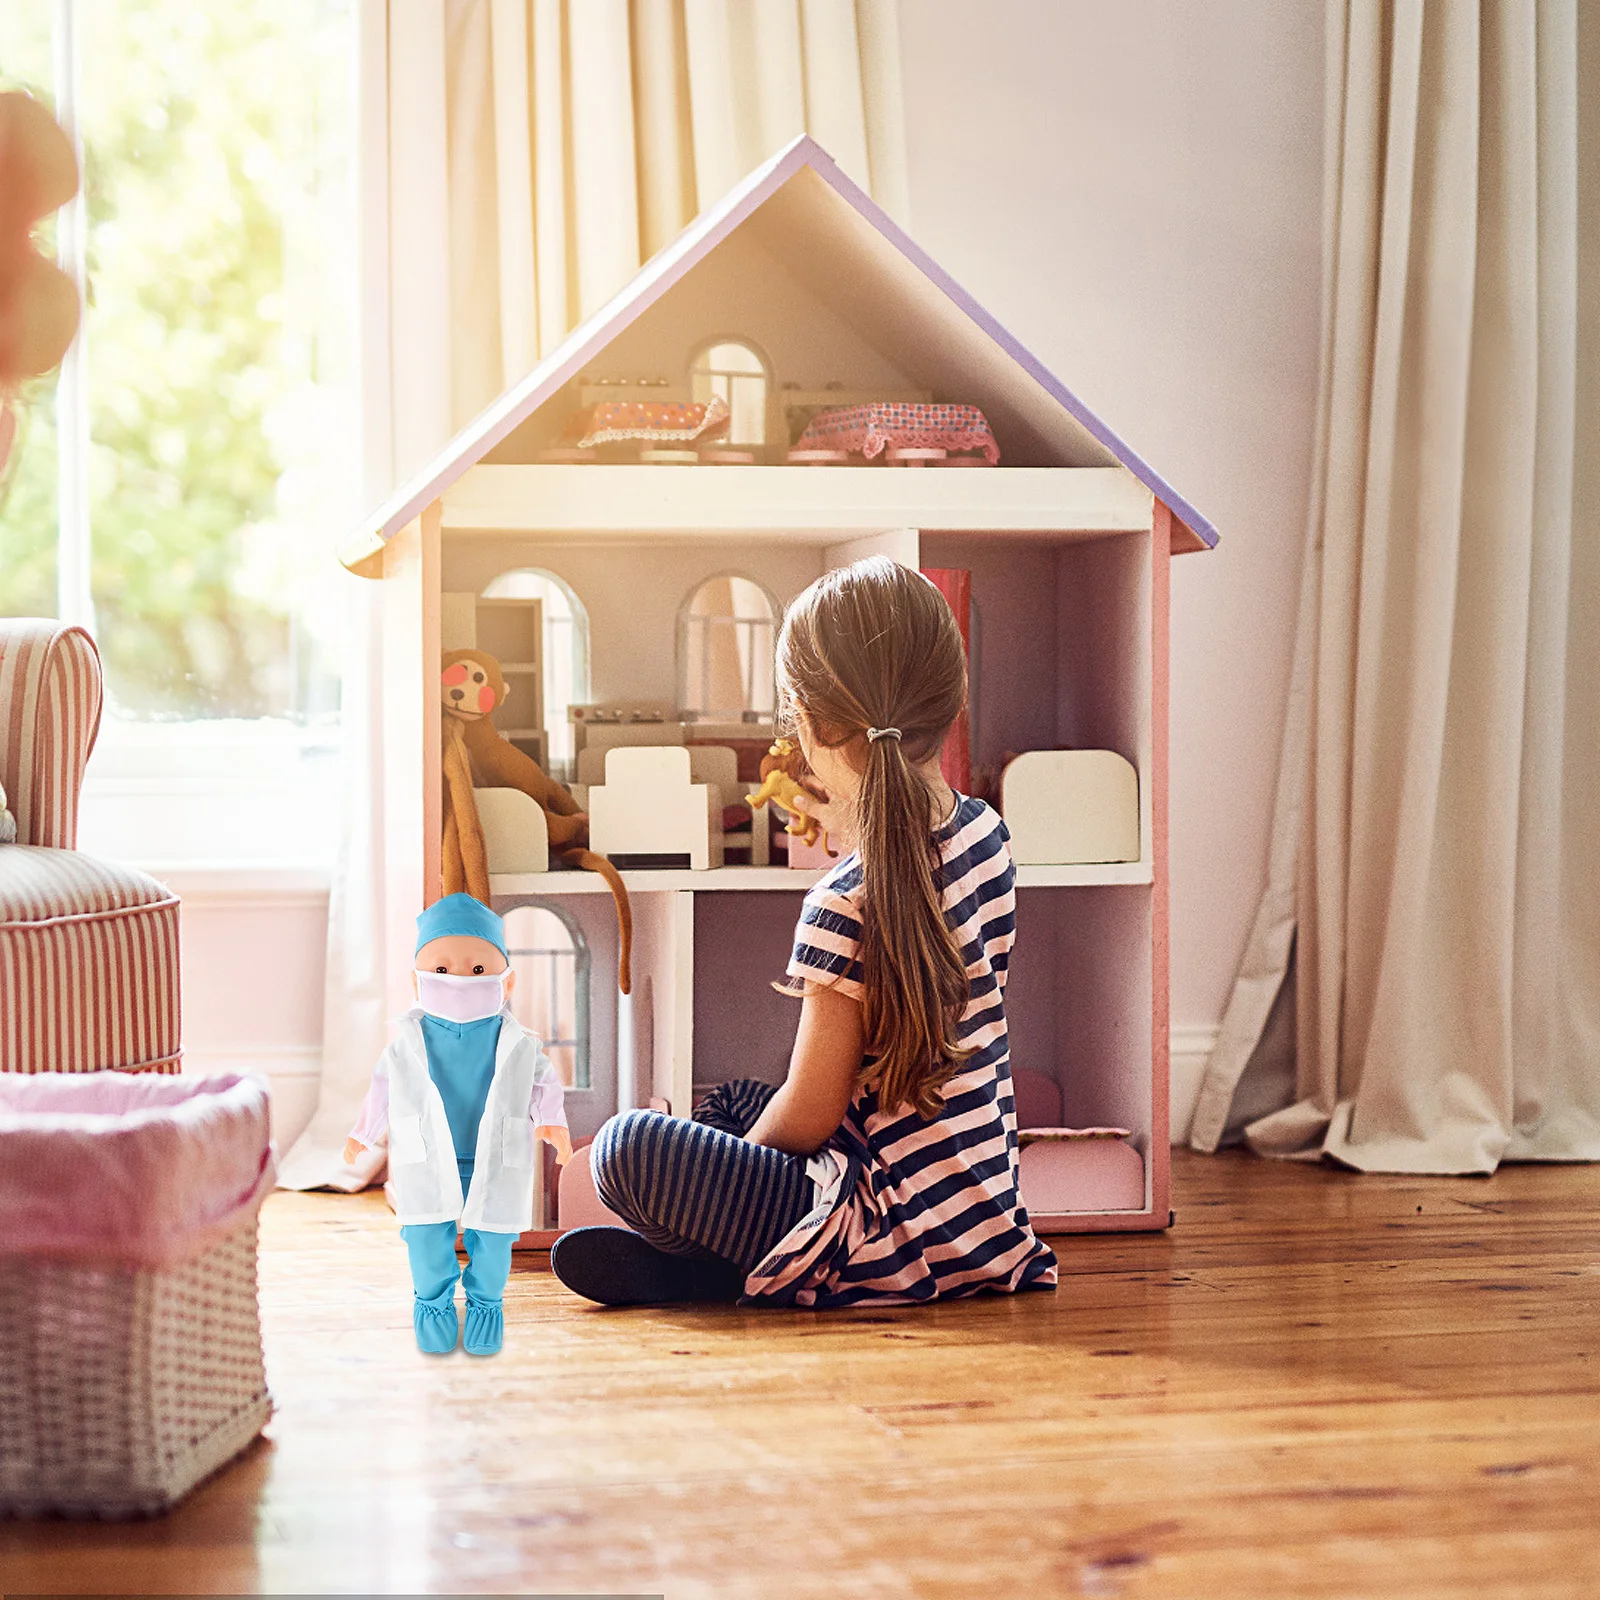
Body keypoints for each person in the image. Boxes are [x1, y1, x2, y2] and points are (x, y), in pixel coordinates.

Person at [551, 557, 1058, 1308]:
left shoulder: (844, 900)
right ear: (950, 704)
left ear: (812, 725)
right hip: (980, 1217)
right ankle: (718, 1263)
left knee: (629, 1152)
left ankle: (719, 1268)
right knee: (728, 1106)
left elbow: (814, 1111)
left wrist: (718, 1186)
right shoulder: (988, 835)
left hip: (875, 1232)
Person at [346, 893, 571, 1353]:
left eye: (477, 971)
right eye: (442, 972)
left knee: (494, 1244)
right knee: (427, 1242)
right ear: (417, 981)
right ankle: (433, 1311)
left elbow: (543, 1080)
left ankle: (486, 1311)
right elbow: (382, 1086)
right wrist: (362, 1134)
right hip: (429, 1156)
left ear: (506, 984)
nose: (460, 983)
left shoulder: (519, 1042)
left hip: (493, 1157)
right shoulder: (407, 1041)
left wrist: (552, 1123)